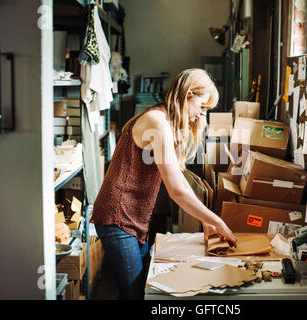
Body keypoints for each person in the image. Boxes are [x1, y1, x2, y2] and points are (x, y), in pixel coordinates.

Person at [90, 68, 237, 300]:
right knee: (135, 294)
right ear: (189, 94)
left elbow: (178, 179)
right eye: (202, 107)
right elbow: (176, 191)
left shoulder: (167, 122)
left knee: (139, 289)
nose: (202, 115)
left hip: (135, 217)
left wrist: (204, 219)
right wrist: (216, 220)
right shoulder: (156, 121)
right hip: (117, 216)